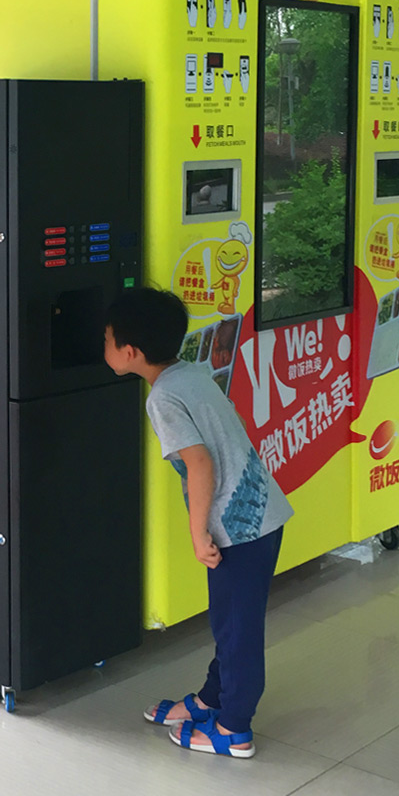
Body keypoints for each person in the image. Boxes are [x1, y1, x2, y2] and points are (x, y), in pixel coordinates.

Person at [104, 288, 293, 759]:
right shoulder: (190, 372)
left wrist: (198, 533)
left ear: (131, 352)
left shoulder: (162, 399)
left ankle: (234, 728)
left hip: (239, 530)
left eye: (107, 340)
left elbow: (199, 463)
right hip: (261, 518)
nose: (103, 347)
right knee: (228, 622)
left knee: (238, 630)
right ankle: (213, 698)